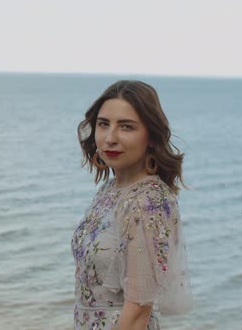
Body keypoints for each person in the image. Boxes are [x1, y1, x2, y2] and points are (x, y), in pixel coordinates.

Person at [71, 80, 194, 330]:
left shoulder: (148, 202)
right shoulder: (108, 191)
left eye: (126, 127)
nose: (110, 138)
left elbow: (138, 310)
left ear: (151, 136)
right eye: (103, 124)